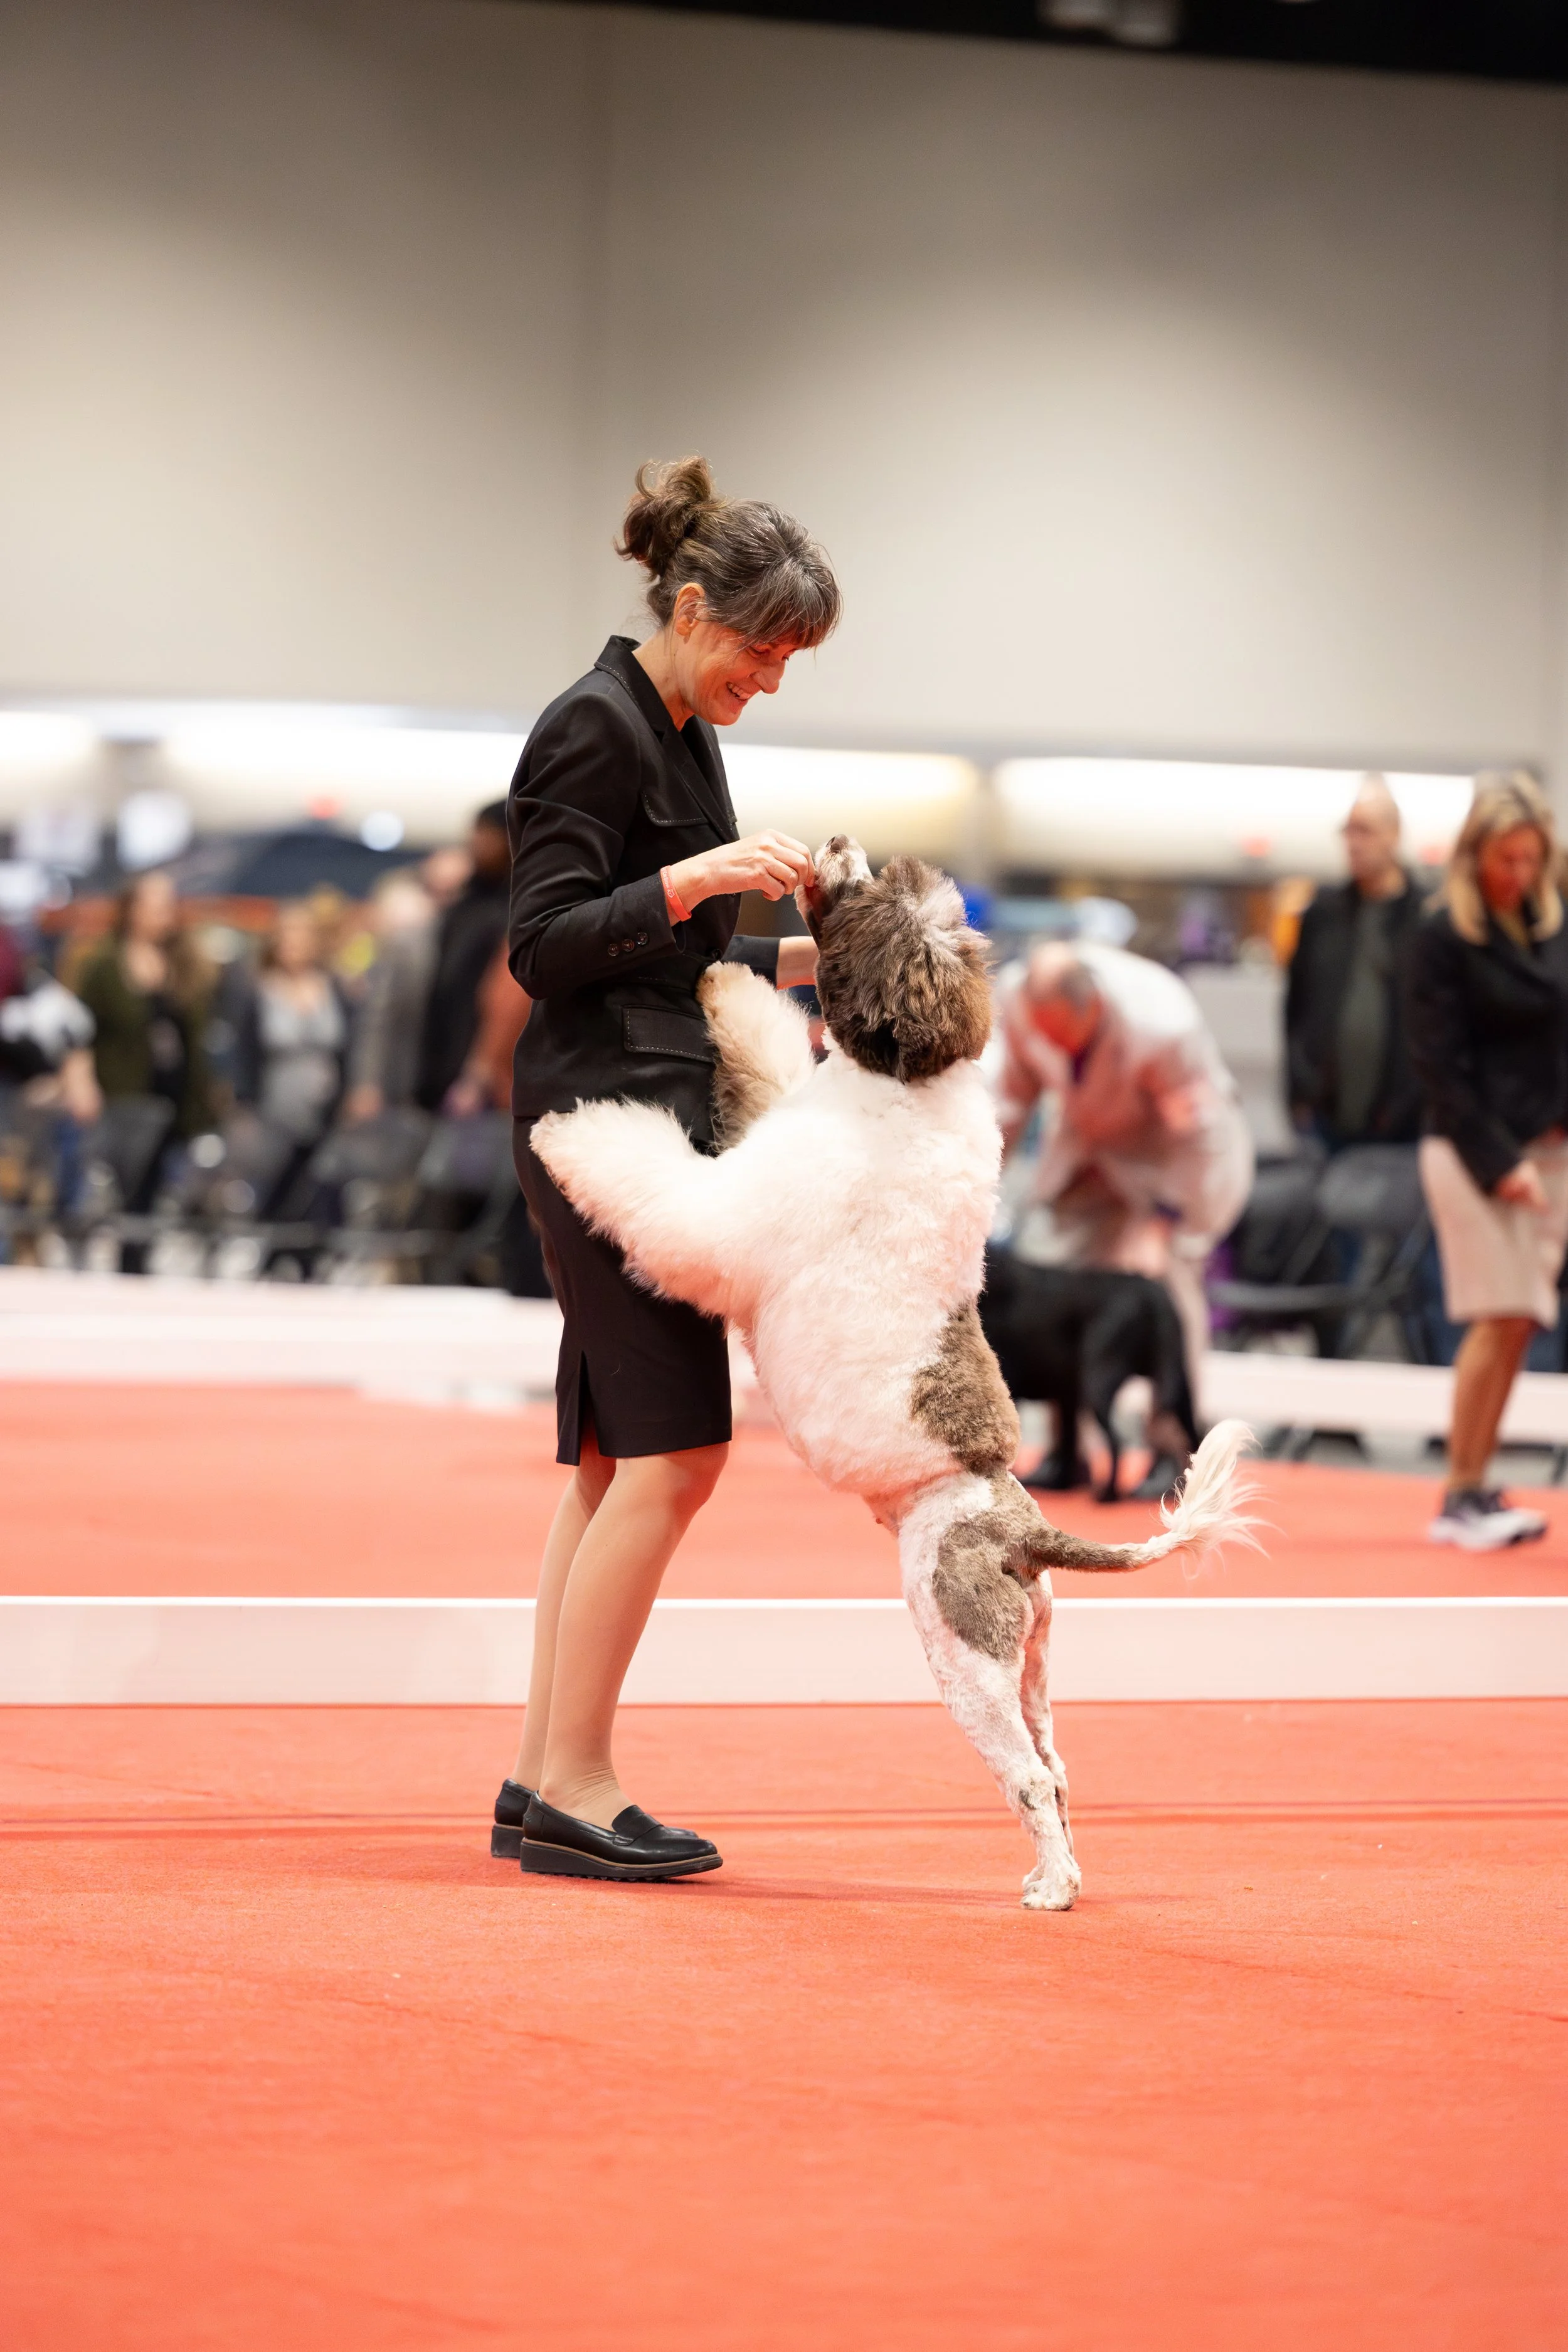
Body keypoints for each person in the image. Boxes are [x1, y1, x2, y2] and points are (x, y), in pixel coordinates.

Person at [497, 454, 837, 1883]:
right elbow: (547, 944)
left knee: (608, 1459)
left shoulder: (674, 721)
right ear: (693, 607)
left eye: (787, 660)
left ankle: (541, 1771)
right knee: (677, 1448)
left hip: (645, 1106)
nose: (770, 677)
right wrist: (696, 882)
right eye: (760, 648)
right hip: (604, 1122)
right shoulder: (597, 724)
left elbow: (677, 955)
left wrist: (838, 946)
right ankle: (576, 1777)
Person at [1407, 772, 1568, 1550]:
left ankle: (1476, 1484)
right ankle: (1458, 1493)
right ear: (1475, 857)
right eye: (1506, 860)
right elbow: (1439, 1068)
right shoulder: (1440, 937)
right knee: (1497, 1312)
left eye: (1531, 859)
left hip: (1550, 1150)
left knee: (1520, 1324)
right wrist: (1500, 1160)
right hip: (1471, 1151)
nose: (1520, 875)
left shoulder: (1553, 927)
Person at [994, 940, 1254, 1396]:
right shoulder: (1017, 1002)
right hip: (1087, 1144)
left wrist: (1161, 1225)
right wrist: (980, 1182)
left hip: (1175, 1156)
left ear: (1090, 1007)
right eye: (1043, 1034)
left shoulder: (1164, 1022)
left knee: (1167, 1282)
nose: (1050, 1045)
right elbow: (1011, 1102)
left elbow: (1196, 1139)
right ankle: (1070, 1446)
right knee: (1058, 1282)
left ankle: (1175, 1444)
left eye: (1060, 1033)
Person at [1285, 775, 1423, 1148]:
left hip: (1402, 1121)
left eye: (1365, 831)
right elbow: (1296, 1007)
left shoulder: (1425, 918)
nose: (1353, 843)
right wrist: (1301, 1088)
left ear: (1393, 835)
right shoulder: (1324, 914)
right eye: (1348, 832)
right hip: (1326, 1115)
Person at [413, 806, 512, 1113]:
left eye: (486, 833)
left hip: (483, 1070)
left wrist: (479, 1066)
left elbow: (506, 998)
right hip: (441, 1057)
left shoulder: (515, 908)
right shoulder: (466, 904)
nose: (476, 842)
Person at [232, 901, 349, 1149]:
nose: (293, 942)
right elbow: (245, 1053)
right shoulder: (259, 990)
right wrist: (244, 1105)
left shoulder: (334, 986)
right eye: (287, 934)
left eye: (301, 934)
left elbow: (348, 1048)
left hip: (329, 1109)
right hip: (275, 1107)